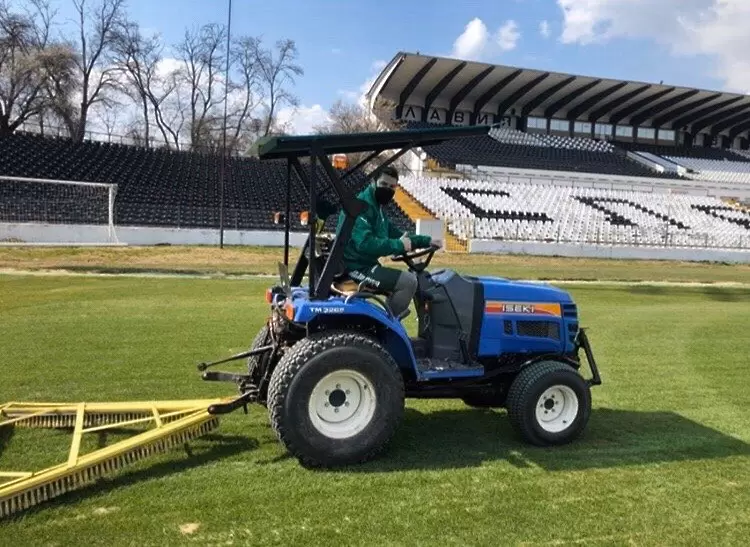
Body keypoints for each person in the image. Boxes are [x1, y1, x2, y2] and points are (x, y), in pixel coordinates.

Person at [335, 165, 439, 319]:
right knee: (408, 282)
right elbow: (365, 243)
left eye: (392, 187)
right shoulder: (361, 207)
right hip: (354, 268)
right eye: (384, 184)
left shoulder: (378, 209)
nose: (388, 189)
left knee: (405, 280)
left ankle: (388, 320)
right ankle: (387, 327)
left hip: (366, 266)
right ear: (373, 182)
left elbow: (397, 234)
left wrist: (427, 241)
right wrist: (398, 245)